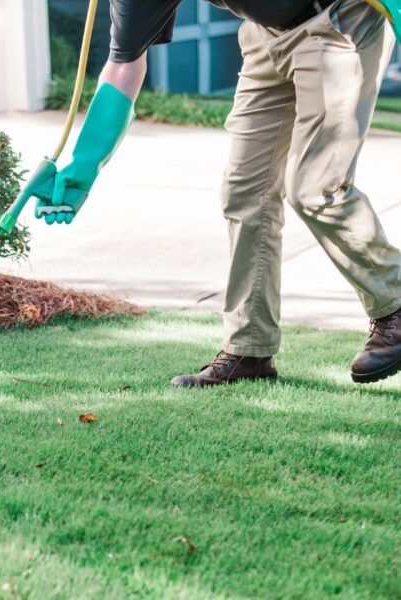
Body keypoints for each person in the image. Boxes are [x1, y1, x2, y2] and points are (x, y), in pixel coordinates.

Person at [42, 0, 401, 386]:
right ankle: (250, 348)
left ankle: (394, 303)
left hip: (338, 19)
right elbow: (125, 62)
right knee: (245, 194)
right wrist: (84, 165)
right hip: (265, 36)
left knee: (316, 187)